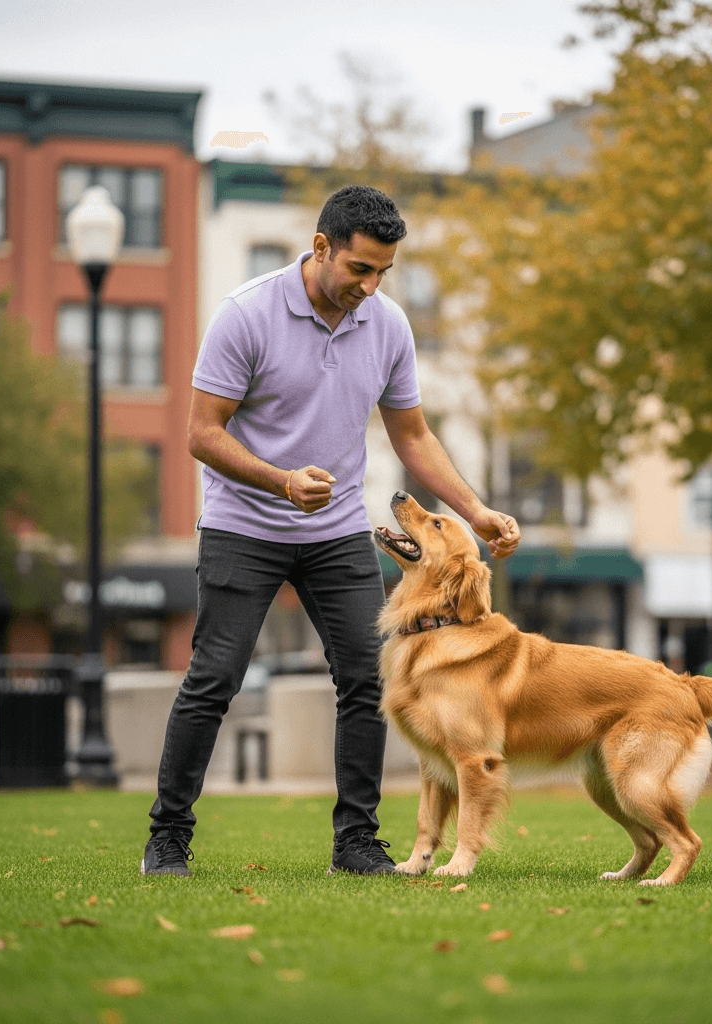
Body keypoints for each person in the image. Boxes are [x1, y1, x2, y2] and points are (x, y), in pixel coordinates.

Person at [140, 184, 520, 877]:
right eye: (360, 269)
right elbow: (200, 433)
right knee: (215, 676)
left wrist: (474, 509)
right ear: (322, 248)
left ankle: (355, 842)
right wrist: (280, 480)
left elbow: (413, 435)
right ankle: (167, 837)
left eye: (384, 272)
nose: (372, 287)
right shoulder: (247, 315)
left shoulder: (388, 326)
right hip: (243, 524)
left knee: (365, 678)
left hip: (337, 528)